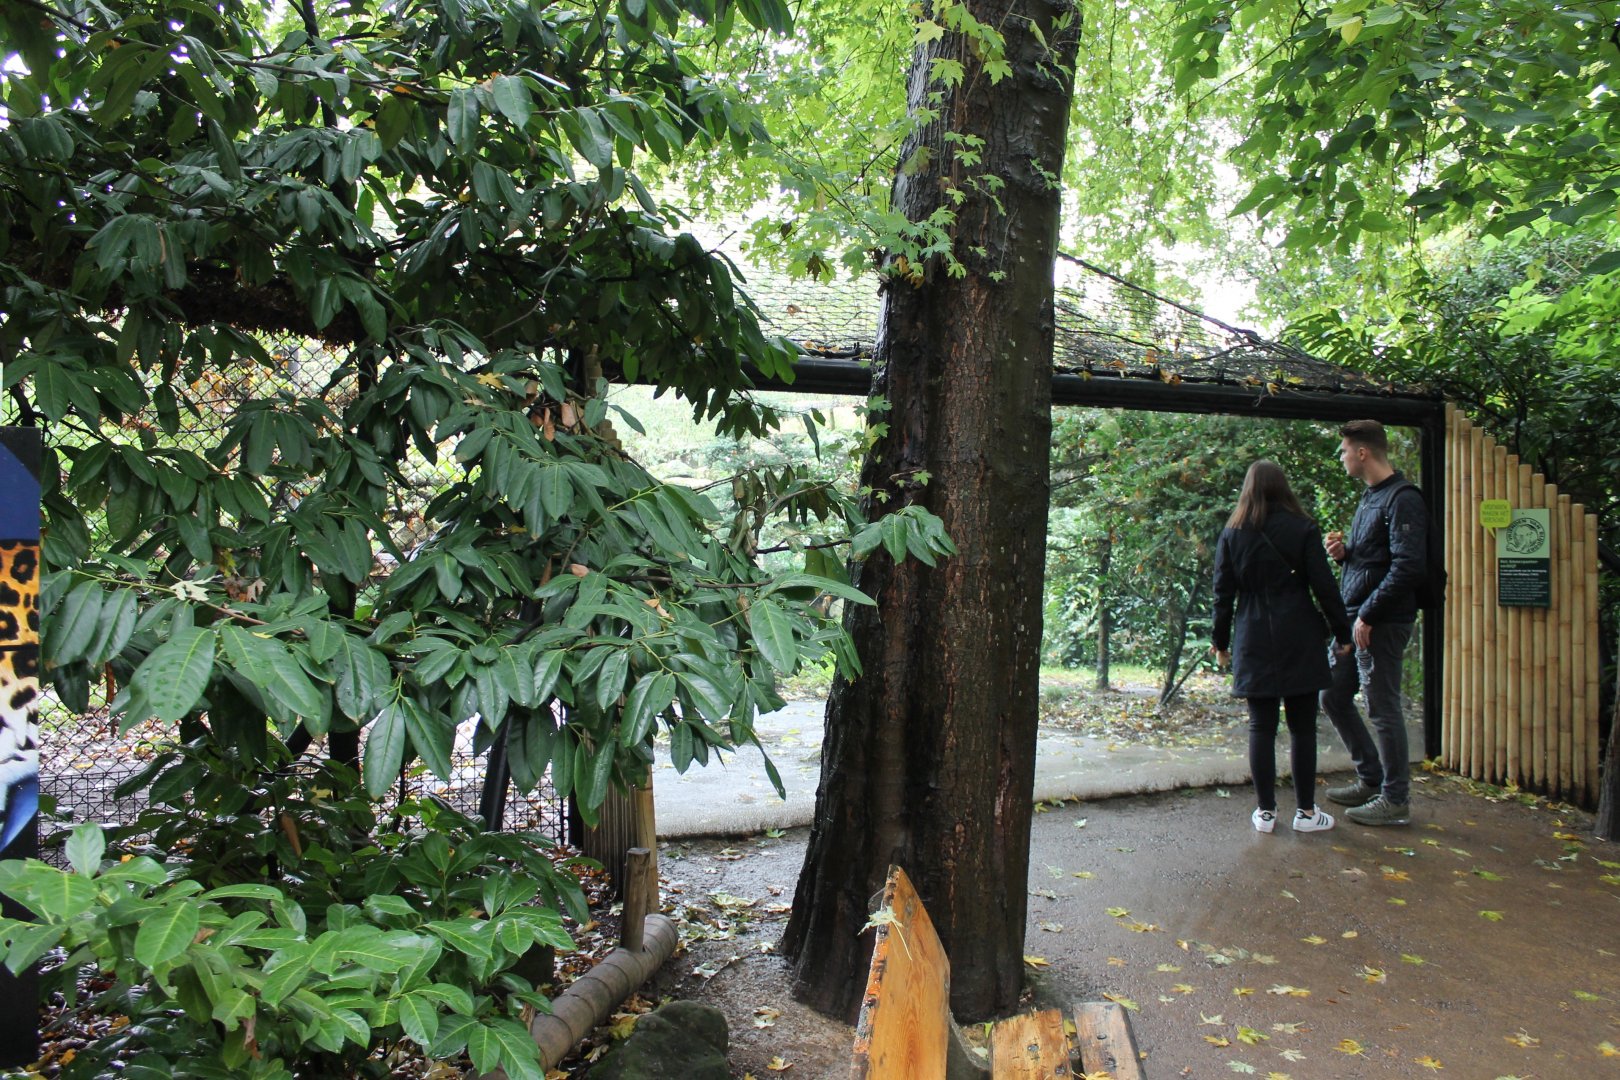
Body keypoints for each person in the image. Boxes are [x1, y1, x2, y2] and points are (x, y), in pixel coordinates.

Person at [1213, 460, 1353, 834]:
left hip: (1252, 633)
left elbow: (1222, 595)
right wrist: (1343, 633)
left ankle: (1265, 813)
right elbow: (1324, 585)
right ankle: (1306, 813)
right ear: (1283, 487)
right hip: (1299, 632)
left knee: (1261, 725)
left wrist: (1220, 642)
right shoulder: (1303, 527)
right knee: (1303, 727)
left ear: (1248, 489)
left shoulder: (1232, 533)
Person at [1320, 419, 1428, 826]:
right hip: (1356, 618)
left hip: (1380, 621)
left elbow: (1408, 567)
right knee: (1331, 695)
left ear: (1363, 452)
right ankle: (1371, 778)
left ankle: (1395, 799)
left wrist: (1369, 613)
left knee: (1383, 708)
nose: (1343, 456)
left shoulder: (1403, 499)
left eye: (1345, 450)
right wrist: (1345, 554)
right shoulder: (1370, 497)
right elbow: (1376, 559)